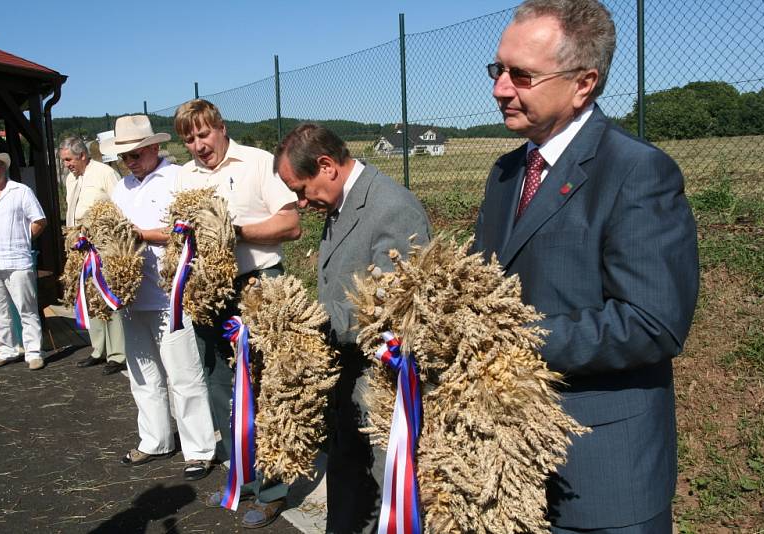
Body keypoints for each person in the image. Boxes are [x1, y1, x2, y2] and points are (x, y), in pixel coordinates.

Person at [473, 0, 700, 531]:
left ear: (583, 83)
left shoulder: (638, 171)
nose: (500, 88)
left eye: (521, 75)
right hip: (506, 465)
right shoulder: (507, 172)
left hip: (601, 474)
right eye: (498, 69)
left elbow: (652, 323)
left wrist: (507, 339)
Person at [274, 123, 431, 534]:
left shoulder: (391, 206)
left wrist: (310, 323)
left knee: (384, 494)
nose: (301, 202)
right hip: (348, 375)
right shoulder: (340, 202)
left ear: (326, 165)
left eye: (301, 189)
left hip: (380, 386)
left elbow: (393, 301)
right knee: (348, 490)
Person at [173, 99, 301, 528]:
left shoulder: (258, 163)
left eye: (204, 133)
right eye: (189, 138)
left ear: (222, 128)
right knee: (219, 386)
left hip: (257, 290)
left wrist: (233, 232)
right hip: (207, 293)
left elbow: (290, 223)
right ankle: (242, 477)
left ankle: (273, 491)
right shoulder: (184, 177)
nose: (198, 144)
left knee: (265, 390)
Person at [100, 115, 215, 481]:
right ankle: (155, 439)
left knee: (184, 375)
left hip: (171, 295)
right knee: (143, 374)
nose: (129, 162)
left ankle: (198, 449)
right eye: (125, 157)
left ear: (152, 147)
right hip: (133, 296)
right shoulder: (122, 188)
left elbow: (189, 229)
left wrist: (141, 234)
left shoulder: (178, 177)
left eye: (134, 154)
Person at [0, 147, 47, 370]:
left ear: (3, 167)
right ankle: (6, 351)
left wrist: (23, 240)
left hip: (17, 259)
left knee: (26, 306)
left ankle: (34, 352)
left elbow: (39, 220)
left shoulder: (21, 191)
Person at [60, 136, 127, 375]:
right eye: (64, 160)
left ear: (82, 155)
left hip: (102, 246)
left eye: (69, 159)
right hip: (80, 246)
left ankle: (118, 354)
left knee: (108, 296)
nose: (67, 164)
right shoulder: (71, 179)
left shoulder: (104, 174)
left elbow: (119, 206)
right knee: (88, 297)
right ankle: (98, 349)